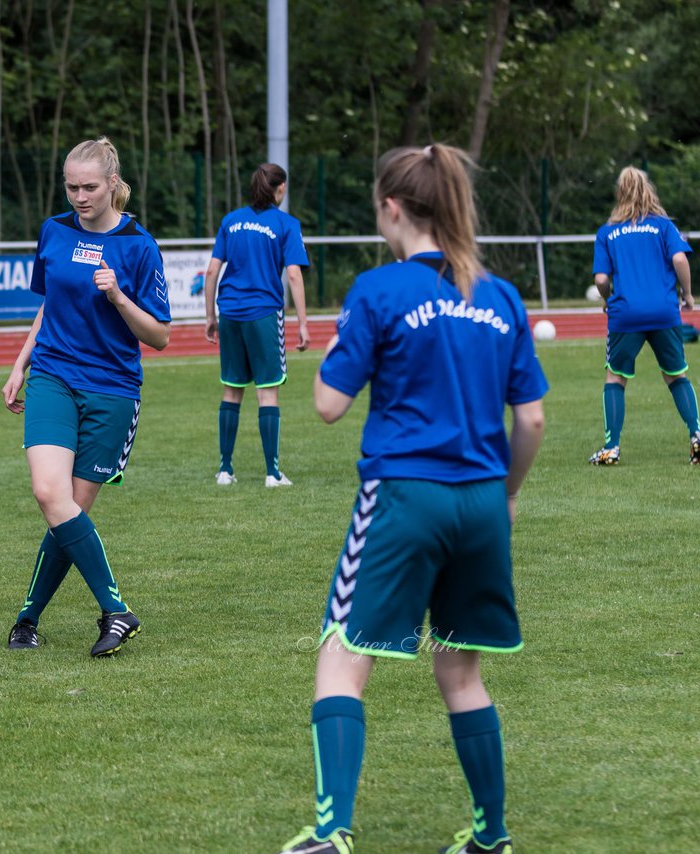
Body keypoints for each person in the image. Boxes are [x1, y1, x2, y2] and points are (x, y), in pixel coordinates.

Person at [278, 144, 547, 854]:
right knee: (461, 672)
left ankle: (331, 831)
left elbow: (329, 404)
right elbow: (533, 420)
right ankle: (491, 835)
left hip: (405, 496)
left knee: (342, 657)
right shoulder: (499, 295)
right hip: (483, 502)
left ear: (391, 208)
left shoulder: (379, 290)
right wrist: (509, 495)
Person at [0, 136, 171, 657]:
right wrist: (21, 361)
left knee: (67, 513)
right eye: (71, 186)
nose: (79, 196)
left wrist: (118, 295)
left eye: (90, 187)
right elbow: (49, 304)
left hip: (113, 390)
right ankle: (116, 610)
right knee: (50, 495)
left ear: (113, 184)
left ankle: (28, 619)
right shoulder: (53, 231)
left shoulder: (139, 246)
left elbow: (160, 336)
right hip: (52, 376)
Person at [203, 163, 311, 487]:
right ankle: (272, 473)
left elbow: (211, 272)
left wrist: (210, 317)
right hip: (263, 312)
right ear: (280, 189)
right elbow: (293, 274)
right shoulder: (287, 224)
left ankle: (225, 470)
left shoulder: (231, 221)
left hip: (230, 312)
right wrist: (303, 324)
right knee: (267, 392)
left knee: (232, 389)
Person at [587, 165, 697, 465]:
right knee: (676, 375)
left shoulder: (607, 232)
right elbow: (679, 258)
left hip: (626, 315)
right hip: (664, 311)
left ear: (619, 193)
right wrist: (687, 295)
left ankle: (612, 447)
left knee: (615, 377)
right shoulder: (663, 226)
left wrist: (608, 299)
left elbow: (600, 280)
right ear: (648, 190)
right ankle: (697, 437)